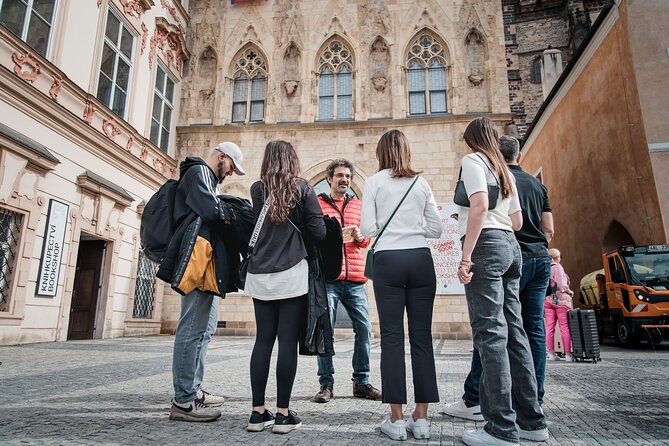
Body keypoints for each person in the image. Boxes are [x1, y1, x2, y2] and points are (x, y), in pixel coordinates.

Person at [443, 135, 555, 421]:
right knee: (522, 332)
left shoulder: (474, 161)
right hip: (521, 251)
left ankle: (498, 422)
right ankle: (532, 414)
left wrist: (466, 255)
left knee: (491, 334)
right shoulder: (519, 178)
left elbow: (480, 206)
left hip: (491, 246)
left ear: (471, 142)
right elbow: (529, 225)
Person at [360, 130, 443, 441]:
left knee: (392, 339)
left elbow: (368, 228)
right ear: (407, 152)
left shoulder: (373, 182)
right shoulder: (420, 184)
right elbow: (435, 228)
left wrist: (390, 227)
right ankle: (421, 418)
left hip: (389, 261)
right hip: (421, 259)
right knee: (422, 338)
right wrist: (413, 228)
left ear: (381, 152)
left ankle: (396, 420)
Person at [245, 140, 326, 434]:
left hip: (259, 273)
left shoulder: (257, 189)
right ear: (292, 160)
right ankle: (282, 414)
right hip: (291, 272)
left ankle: (257, 413)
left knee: (263, 340)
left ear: (268, 160)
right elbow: (318, 230)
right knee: (286, 342)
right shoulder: (303, 189)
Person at [168, 142, 246, 422]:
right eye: (231, 167)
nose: (230, 174)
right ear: (222, 157)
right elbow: (211, 211)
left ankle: (193, 389)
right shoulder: (199, 171)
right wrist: (232, 214)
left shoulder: (209, 179)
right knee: (191, 329)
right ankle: (184, 400)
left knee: (205, 329)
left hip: (207, 263)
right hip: (197, 262)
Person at [313, 159, 382, 404]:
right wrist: (334, 238)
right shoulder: (318, 204)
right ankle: (326, 384)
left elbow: (366, 241)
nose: (344, 180)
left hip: (355, 277)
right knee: (326, 331)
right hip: (328, 277)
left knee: (364, 329)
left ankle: (361, 382)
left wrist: (361, 236)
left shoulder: (359, 205)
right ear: (329, 178)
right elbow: (314, 238)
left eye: (348, 177)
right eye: (340, 175)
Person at [546, 248, 574, 362]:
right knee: (564, 327)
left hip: (547, 300)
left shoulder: (545, 266)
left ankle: (551, 354)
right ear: (558, 257)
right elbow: (562, 285)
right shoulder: (558, 267)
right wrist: (569, 291)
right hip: (560, 300)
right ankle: (567, 354)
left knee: (549, 328)